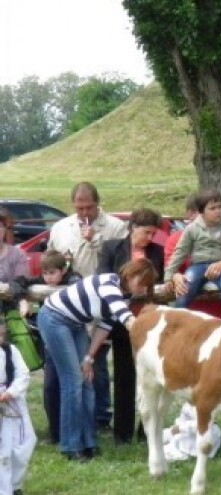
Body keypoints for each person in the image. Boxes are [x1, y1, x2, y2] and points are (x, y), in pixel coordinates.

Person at [36, 258, 158, 462]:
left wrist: (89, 358)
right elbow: (124, 316)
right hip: (54, 319)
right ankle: (70, 446)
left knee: (87, 380)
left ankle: (88, 442)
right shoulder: (108, 283)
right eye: (142, 282)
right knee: (73, 382)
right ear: (129, 275)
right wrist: (144, 336)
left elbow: (105, 326)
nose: (144, 288)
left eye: (148, 284)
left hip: (76, 325)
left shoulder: (125, 296)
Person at [46, 182, 127, 430]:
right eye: (79, 208)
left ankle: (101, 418)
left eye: (89, 208)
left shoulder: (115, 226)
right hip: (68, 305)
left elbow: (121, 262)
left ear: (98, 204)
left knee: (97, 364)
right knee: (65, 367)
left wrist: (97, 240)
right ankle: (69, 419)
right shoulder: (61, 227)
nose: (84, 213)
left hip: (99, 304)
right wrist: (60, 263)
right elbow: (49, 260)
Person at [97, 207, 164, 444]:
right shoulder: (111, 248)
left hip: (148, 322)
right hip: (120, 321)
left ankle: (146, 432)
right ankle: (122, 434)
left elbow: (161, 281)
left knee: (150, 377)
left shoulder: (158, 251)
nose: (150, 238)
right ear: (133, 228)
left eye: (153, 233)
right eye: (147, 232)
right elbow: (102, 277)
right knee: (123, 376)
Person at [9, 251, 81, 446]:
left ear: (63, 270)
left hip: (73, 339)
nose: (48, 277)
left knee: (73, 386)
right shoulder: (41, 281)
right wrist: (23, 300)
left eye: (52, 273)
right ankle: (55, 431)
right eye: (45, 273)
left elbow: (78, 286)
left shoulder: (73, 279)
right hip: (50, 341)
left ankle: (76, 431)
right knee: (50, 386)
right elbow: (17, 282)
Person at [165, 189, 221, 310]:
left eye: (220, 207)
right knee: (185, 287)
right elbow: (180, 252)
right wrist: (169, 276)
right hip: (198, 266)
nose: (218, 211)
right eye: (212, 208)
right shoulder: (192, 229)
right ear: (201, 212)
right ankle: (178, 316)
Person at [0, 319, 37, 495]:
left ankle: (15, 485)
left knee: (24, 443)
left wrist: (11, 392)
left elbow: (23, 373)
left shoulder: (10, 351)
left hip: (11, 402)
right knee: (3, 451)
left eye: (2, 334)